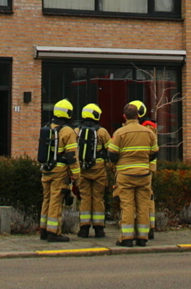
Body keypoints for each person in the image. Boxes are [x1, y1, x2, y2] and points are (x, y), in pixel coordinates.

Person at [106, 102, 159, 247]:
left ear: (124, 116)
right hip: (143, 174)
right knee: (143, 205)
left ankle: (127, 238)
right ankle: (143, 238)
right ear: (138, 115)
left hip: (125, 175)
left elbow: (111, 154)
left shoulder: (120, 133)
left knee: (127, 206)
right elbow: (154, 153)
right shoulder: (148, 132)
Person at [39, 99, 79, 242]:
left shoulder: (47, 127)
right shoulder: (67, 131)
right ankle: (53, 232)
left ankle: (43, 230)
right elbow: (72, 155)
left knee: (47, 199)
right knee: (56, 200)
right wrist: (76, 174)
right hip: (59, 171)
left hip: (46, 170)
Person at [76, 103, 112, 238]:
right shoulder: (102, 132)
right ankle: (99, 229)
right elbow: (111, 150)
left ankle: (83, 229)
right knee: (98, 198)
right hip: (98, 170)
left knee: (85, 197)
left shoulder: (77, 131)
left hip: (82, 169)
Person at [141, 119, 158, 240]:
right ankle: (150, 226)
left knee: (143, 200)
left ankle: (147, 227)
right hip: (148, 168)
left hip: (143, 168)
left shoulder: (146, 128)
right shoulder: (151, 129)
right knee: (149, 198)